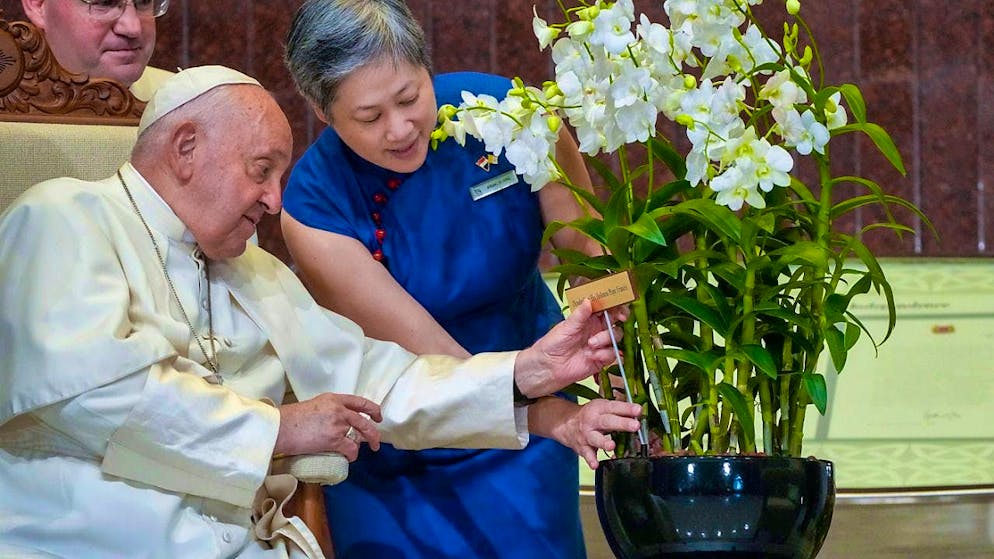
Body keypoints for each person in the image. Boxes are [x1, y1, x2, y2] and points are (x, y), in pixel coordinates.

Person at [0, 65, 642, 559]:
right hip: (85, 539)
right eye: (261, 170)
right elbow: (94, 394)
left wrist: (522, 376)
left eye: (280, 175)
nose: (274, 201)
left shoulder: (254, 272)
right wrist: (278, 431)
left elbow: (371, 375)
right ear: (185, 148)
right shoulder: (62, 216)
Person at [281, 1, 609, 557]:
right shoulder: (315, 207)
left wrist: (617, 349)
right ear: (321, 110)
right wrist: (551, 415)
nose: (401, 128)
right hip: (406, 432)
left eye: (410, 97)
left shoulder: (506, 112)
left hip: (535, 413)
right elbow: (430, 358)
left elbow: (587, 248)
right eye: (369, 117)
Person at [20, 0, 173, 100]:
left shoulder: (183, 100)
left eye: (144, 1)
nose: (133, 28)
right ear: (38, 5)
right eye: (104, 2)